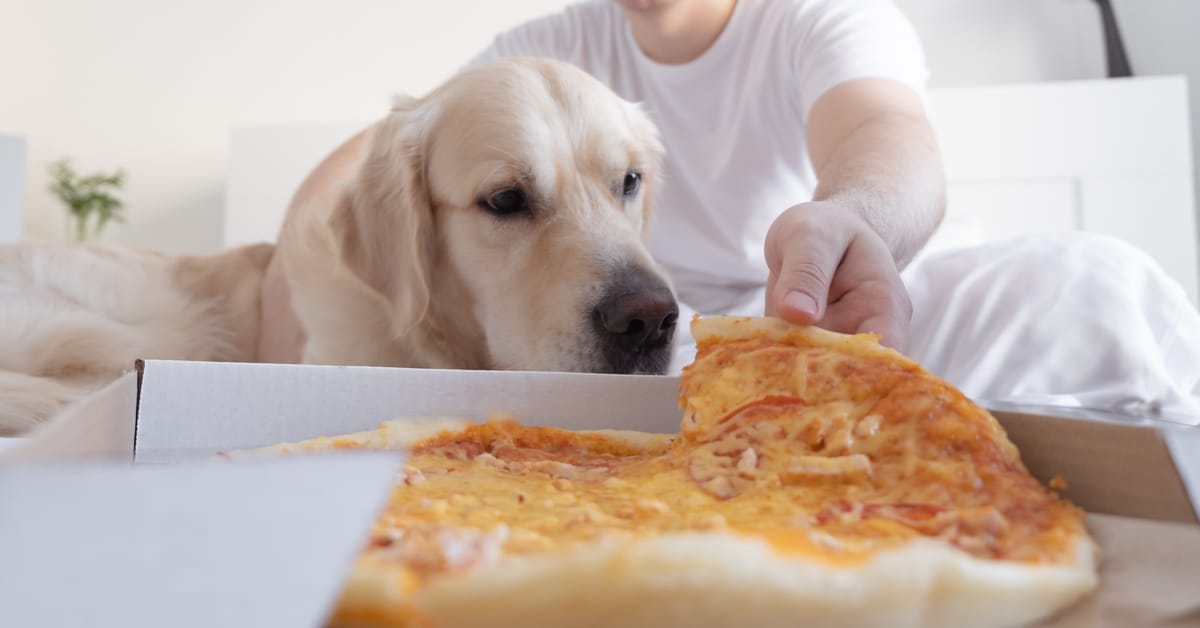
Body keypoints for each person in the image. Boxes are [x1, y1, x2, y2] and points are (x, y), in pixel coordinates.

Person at [259, 0, 1200, 419]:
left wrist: (854, 219)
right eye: (514, 197)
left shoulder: (819, 19)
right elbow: (352, 184)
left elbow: (886, 131)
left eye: (627, 182)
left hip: (822, 316)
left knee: (1092, 286)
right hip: (668, 349)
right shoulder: (537, 49)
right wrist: (276, 362)